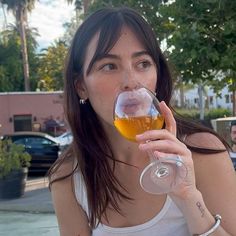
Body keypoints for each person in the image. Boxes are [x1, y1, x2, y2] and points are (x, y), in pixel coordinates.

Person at [48, 7, 236, 236]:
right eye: (109, 66)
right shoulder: (69, 177)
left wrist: (189, 198)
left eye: (143, 63)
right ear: (81, 86)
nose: (132, 82)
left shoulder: (202, 152)